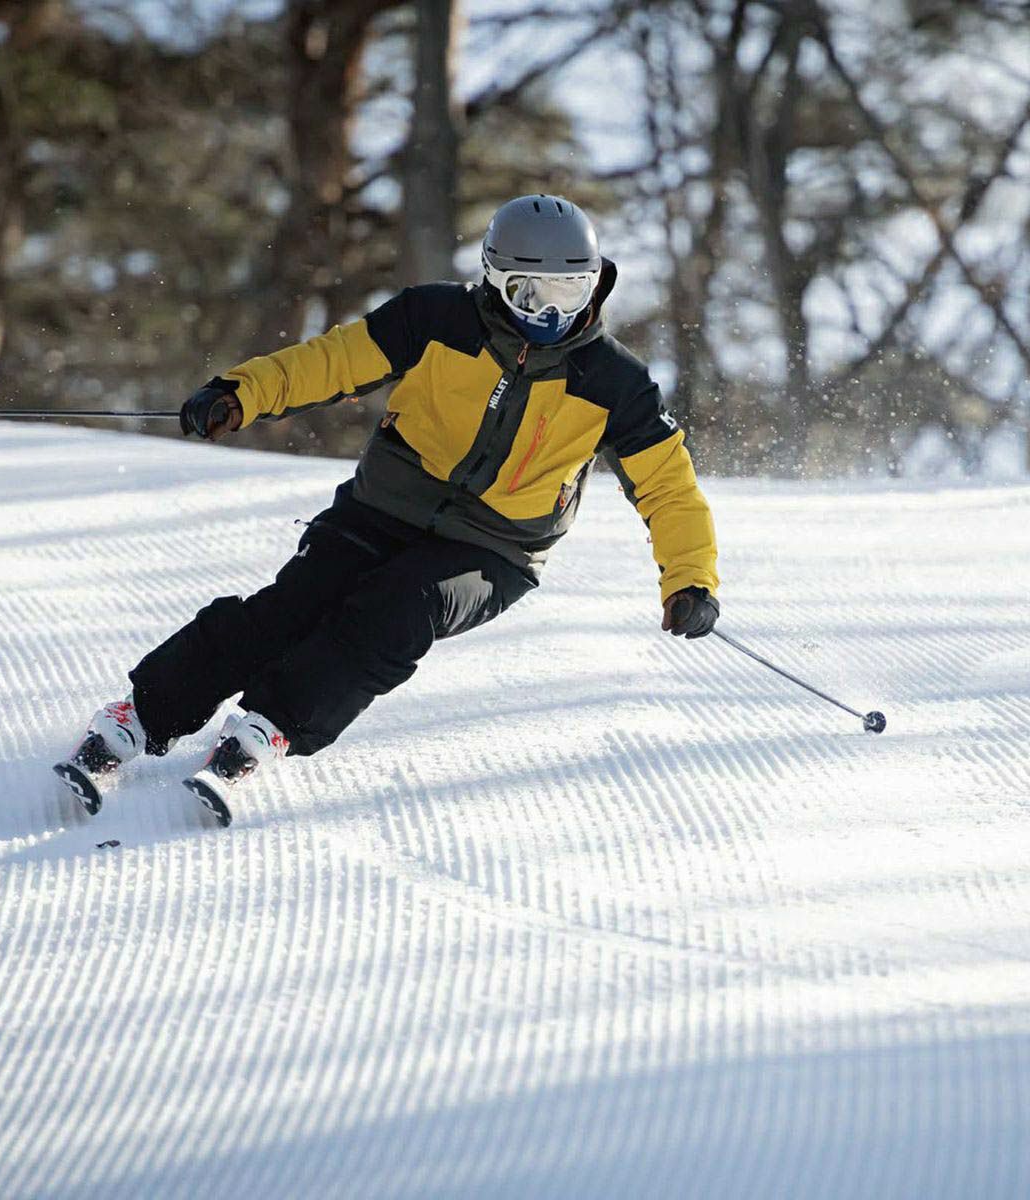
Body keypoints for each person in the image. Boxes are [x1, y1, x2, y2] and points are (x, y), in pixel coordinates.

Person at [54, 194, 720, 825]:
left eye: (568, 293)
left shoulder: (616, 384)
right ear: (493, 279)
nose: (550, 315)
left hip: (494, 550)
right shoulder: (434, 319)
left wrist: (689, 578)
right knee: (291, 607)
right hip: (381, 508)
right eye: (529, 293)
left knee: (401, 609)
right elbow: (331, 362)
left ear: (595, 284)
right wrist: (241, 393)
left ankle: (270, 727)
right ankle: (141, 715)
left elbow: (668, 485)